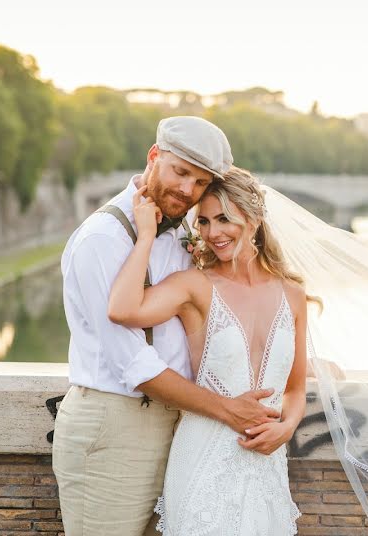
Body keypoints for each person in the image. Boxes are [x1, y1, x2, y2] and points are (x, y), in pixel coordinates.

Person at [52, 117, 281, 536]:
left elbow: (217, 318)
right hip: (115, 426)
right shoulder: (104, 239)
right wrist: (230, 410)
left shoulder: (183, 232)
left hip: (179, 428)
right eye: (180, 172)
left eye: (199, 183)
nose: (187, 191)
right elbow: (134, 363)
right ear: (154, 157)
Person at [107, 166, 309, 534]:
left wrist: (289, 425)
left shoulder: (292, 294)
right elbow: (122, 310)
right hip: (203, 459)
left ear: (254, 220)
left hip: (265, 467)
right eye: (203, 222)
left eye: (224, 219)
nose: (213, 233)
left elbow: (295, 387)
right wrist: (146, 236)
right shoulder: (194, 287)